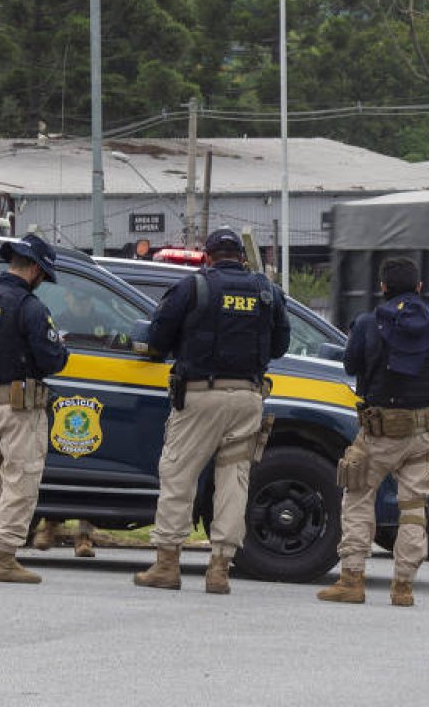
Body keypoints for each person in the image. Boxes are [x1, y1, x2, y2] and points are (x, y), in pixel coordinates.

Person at [133, 228, 289, 595]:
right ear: (242, 258)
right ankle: (220, 569)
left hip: (200, 397)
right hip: (248, 397)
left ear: (207, 256)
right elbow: (280, 345)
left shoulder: (193, 288)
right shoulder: (267, 292)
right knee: (234, 481)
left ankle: (167, 564)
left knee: (179, 474)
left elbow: (157, 340)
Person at [317, 257, 429, 607]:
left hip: (379, 431)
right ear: (420, 287)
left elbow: (349, 365)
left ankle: (352, 581)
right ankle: (403, 586)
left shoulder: (368, 323)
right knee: (414, 507)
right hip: (422, 431)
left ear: (383, 287)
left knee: (358, 499)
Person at [0, 234, 70, 584]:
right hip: (19, 410)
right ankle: (4, 557)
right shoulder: (30, 308)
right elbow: (53, 360)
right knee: (20, 479)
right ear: (36, 269)